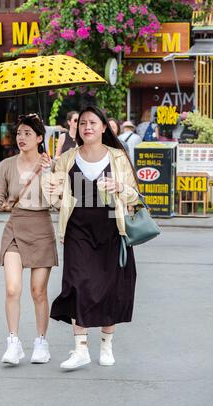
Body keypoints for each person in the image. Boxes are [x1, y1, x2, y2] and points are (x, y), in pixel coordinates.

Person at [41, 105, 139, 370]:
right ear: (77, 128)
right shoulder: (66, 158)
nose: (87, 127)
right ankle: (80, 348)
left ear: (104, 127)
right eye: (82, 123)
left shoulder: (118, 157)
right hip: (77, 230)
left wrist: (120, 187)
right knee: (77, 284)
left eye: (93, 123)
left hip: (111, 229)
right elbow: (53, 198)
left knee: (110, 287)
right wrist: (47, 180)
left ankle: (106, 345)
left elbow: (136, 197)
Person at [0, 113, 58, 366]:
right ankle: (13, 343)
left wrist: (48, 175)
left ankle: (41, 342)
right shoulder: (7, 165)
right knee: (12, 288)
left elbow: (57, 203)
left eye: (28, 133)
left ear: (40, 138)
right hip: (15, 228)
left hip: (42, 228)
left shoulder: (50, 165)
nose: (21, 137)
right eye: (19, 133)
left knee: (38, 291)